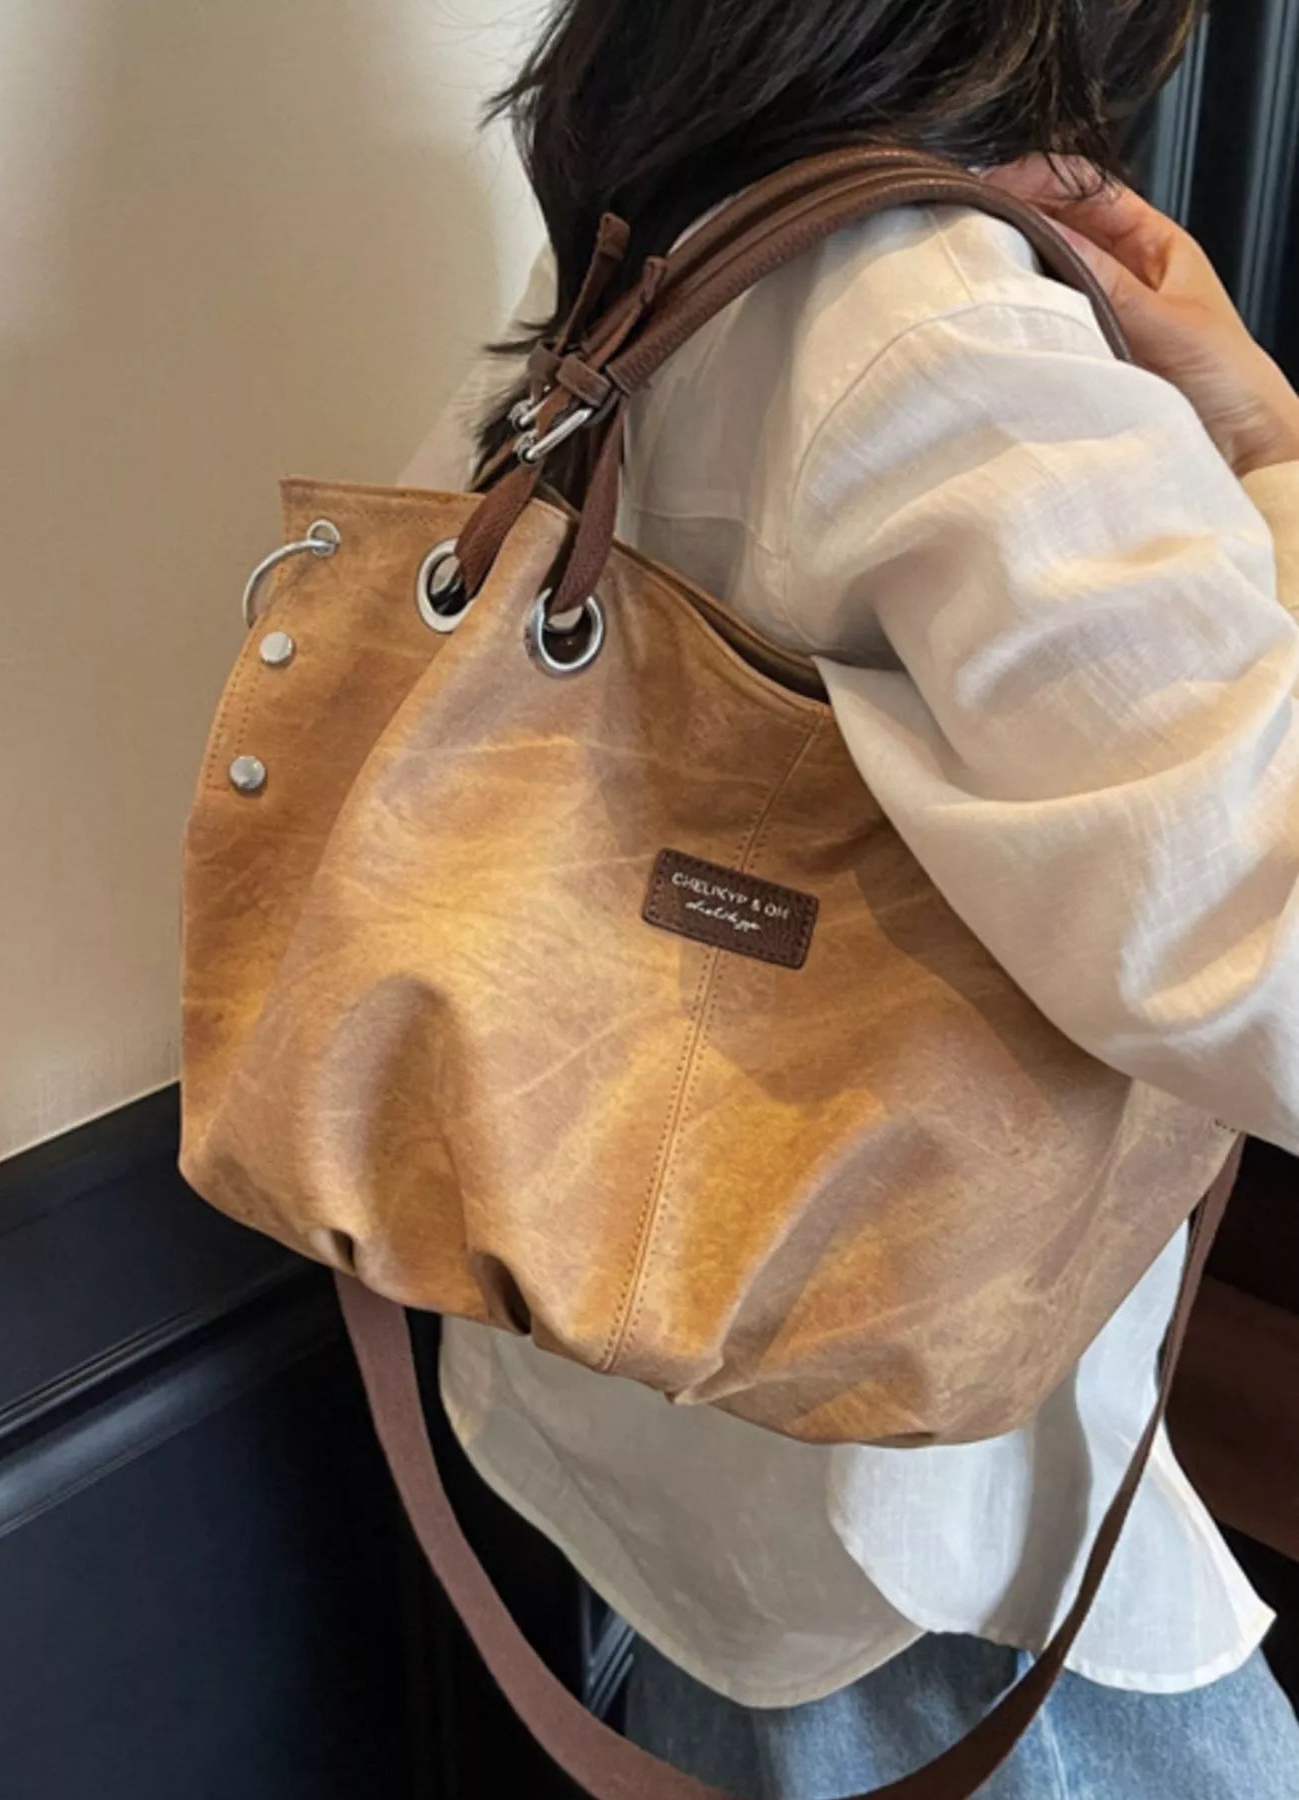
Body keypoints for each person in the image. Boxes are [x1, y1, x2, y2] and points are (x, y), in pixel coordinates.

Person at [400, 3, 1299, 1794]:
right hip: (906, 1531)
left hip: (629, 1378)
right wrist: (1273, 448)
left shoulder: (652, 248)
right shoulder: (952, 331)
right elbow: (1262, 947)